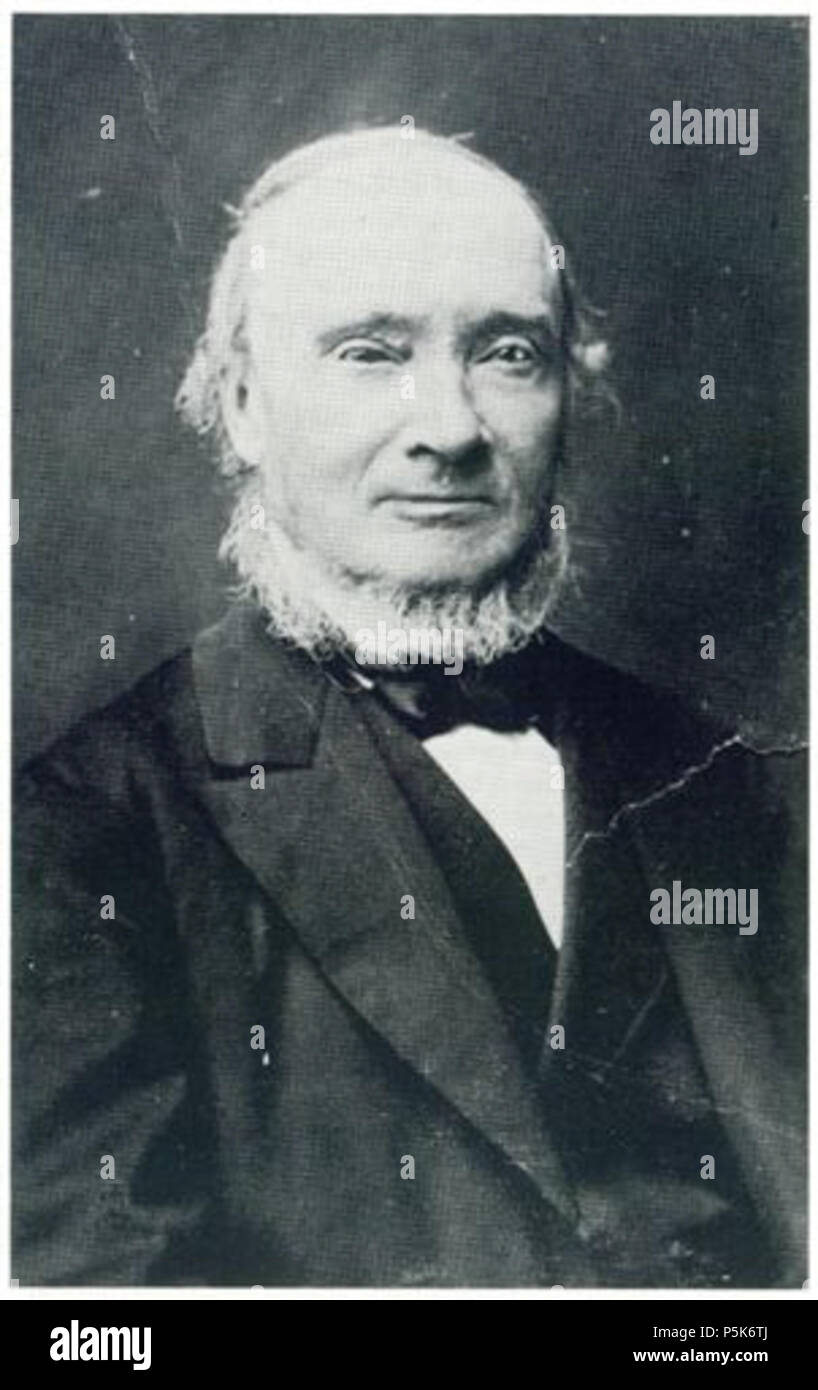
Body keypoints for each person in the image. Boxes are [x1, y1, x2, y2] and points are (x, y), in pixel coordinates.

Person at [13, 126, 805, 1287]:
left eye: (507, 354)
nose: (448, 427)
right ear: (243, 404)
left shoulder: (739, 780)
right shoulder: (81, 829)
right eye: (369, 353)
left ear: (568, 397)